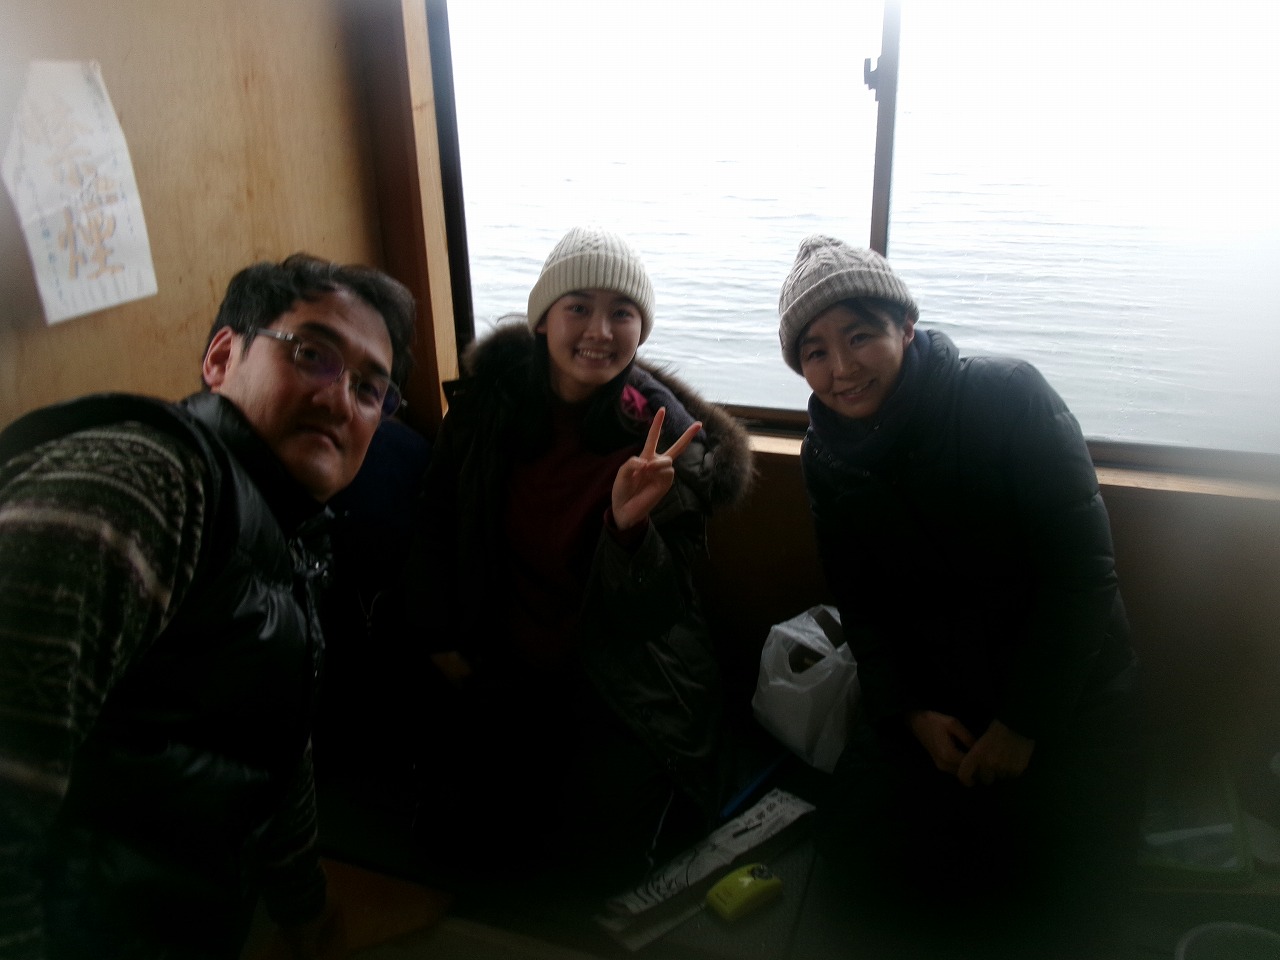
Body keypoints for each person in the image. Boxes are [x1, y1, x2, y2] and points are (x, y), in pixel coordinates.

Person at [0, 253, 416, 959]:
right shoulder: (148, 481)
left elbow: (272, 738)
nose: (340, 400)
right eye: (312, 354)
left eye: (370, 388)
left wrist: (302, 906)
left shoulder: (286, 532)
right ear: (222, 359)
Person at [776, 236, 1141, 948]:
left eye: (860, 336)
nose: (842, 368)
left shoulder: (1007, 397)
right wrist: (910, 712)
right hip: (936, 697)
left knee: (1059, 904)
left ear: (906, 328)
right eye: (816, 351)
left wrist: (1024, 722)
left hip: (1070, 691)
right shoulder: (826, 456)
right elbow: (862, 602)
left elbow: (1083, 575)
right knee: (857, 870)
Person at [411, 226, 753, 893]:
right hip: (502, 657)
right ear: (543, 320)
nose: (600, 330)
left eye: (622, 312)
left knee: (598, 868)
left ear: (640, 331)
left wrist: (629, 530)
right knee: (455, 840)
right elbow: (436, 521)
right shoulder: (487, 409)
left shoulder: (661, 441)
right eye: (578, 307)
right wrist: (439, 638)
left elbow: (654, 614)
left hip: (619, 677)